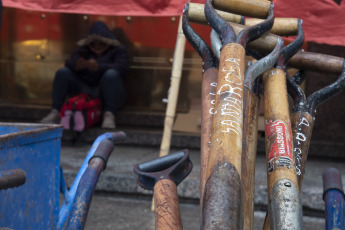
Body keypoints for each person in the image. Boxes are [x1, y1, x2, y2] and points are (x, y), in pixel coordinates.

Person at [41, 21, 130, 128]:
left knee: (111, 74)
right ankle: (56, 111)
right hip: (84, 89)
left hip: (105, 91)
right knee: (63, 72)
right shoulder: (83, 49)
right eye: (94, 44)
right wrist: (76, 65)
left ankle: (109, 114)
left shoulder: (118, 50)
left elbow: (122, 68)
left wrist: (99, 67)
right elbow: (69, 62)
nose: (97, 47)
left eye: (101, 44)